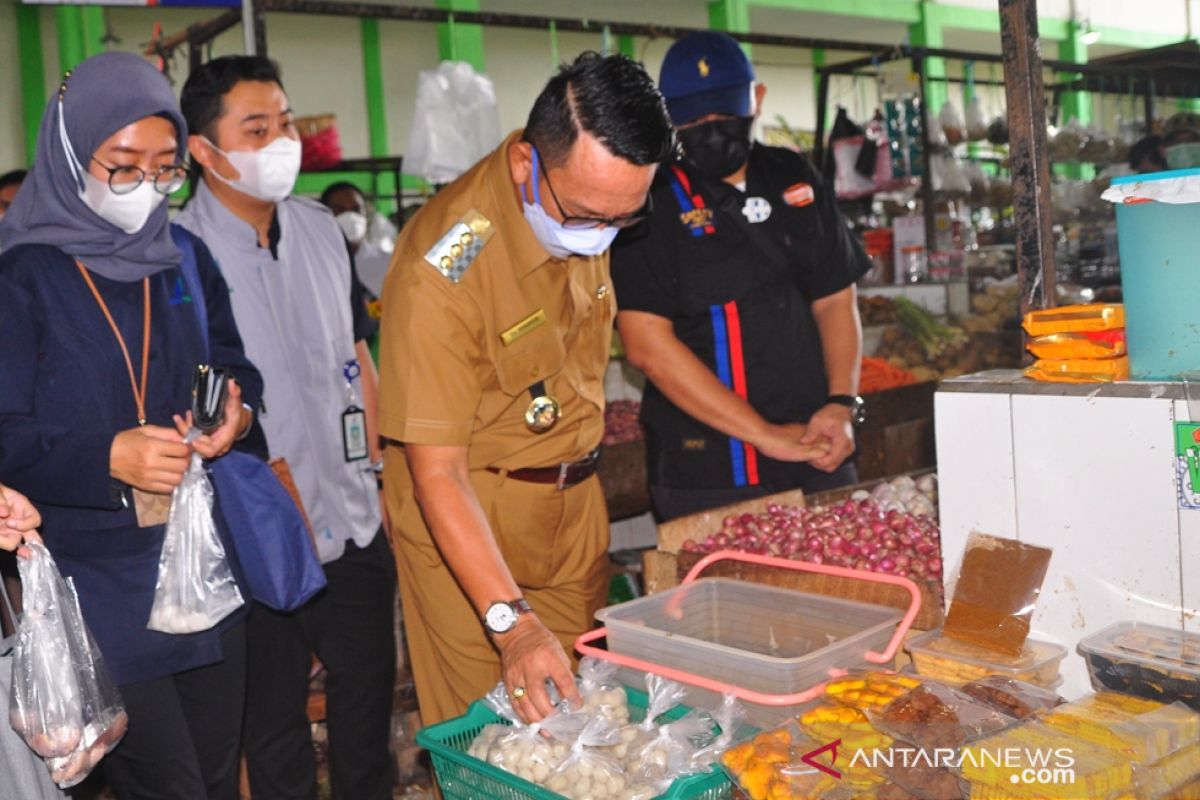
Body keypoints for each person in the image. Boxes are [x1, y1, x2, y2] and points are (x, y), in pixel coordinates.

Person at [379, 51, 674, 726]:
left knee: (584, 727)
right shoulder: (446, 268)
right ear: (524, 163)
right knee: (493, 742)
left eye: (623, 218)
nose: (602, 233)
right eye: (588, 213)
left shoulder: (588, 203)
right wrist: (512, 627)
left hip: (571, 506)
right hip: (470, 517)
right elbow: (438, 473)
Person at [0, 51, 262, 799]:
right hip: (92, 582)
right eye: (121, 166)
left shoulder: (183, 256)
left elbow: (237, 368)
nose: (144, 188)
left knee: (213, 777)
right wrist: (104, 455)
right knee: (171, 784)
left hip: (199, 568)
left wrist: (232, 419)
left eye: (164, 168)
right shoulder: (22, 277)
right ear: (68, 152)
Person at [177, 55, 396, 800]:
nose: (281, 142)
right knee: (272, 729)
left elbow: (356, 358)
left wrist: (384, 475)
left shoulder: (320, 230)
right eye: (257, 128)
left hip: (353, 516)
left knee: (367, 708)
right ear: (204, 151)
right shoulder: (177, 255)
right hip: (260, 532)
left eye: (286, 122)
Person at [611, 31, 871, 521]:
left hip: (820, 449)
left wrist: (840, 404)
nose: (711, 129)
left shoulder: (792, 175)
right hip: (709, 473)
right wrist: (765, 435)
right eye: (692, 118)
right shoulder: (650, 199)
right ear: (666, 117)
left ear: (757, 99)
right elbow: (645, 344)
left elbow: (835, 297)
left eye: (725, 113)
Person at [320, 181, 395, 298]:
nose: (351, 216)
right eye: (340, 210)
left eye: (356, 209)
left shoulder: (389, 265)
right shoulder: (315, 265)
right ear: (324, 216)